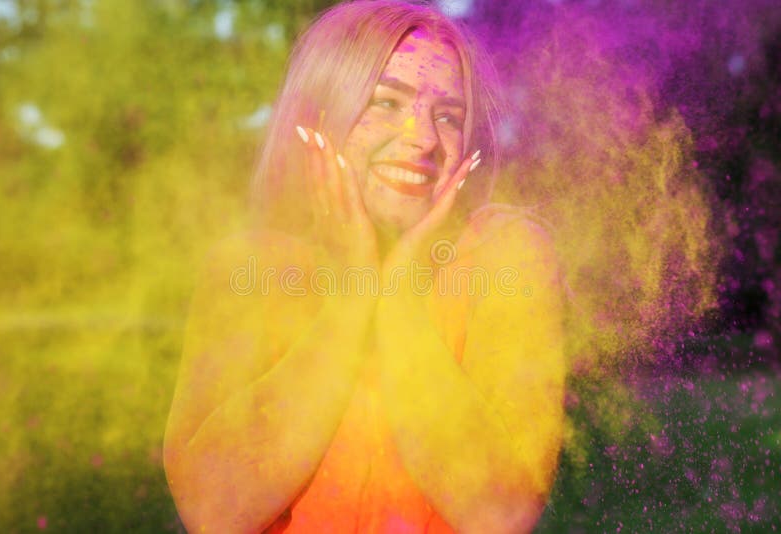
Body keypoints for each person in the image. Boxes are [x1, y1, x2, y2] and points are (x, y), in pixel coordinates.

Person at [163, 1, 566, 532]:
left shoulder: (505, 256)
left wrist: (397, 292)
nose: (423, 140)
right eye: (386, 102)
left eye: (448, 116)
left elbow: (499, 513)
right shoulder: (248, 269)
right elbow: (214, 512)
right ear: (319, 116)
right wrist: (356, 287)